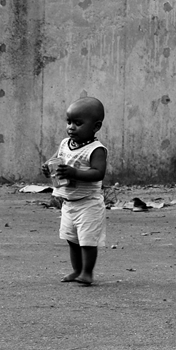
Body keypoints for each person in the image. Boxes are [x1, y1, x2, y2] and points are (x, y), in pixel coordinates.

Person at [41, 96, 108, 286]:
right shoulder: (65, 144)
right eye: (69, 122)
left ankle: (87, 272)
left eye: (78, 123)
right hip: (69, 203)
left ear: (95, 127)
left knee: (87, 241)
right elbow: (54, 160)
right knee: (72, 239)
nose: (71, 127)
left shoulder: (96, 150)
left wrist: (74, 173)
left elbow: (98, 173)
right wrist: (47, 167)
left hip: (89, 203)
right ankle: (76, 270)